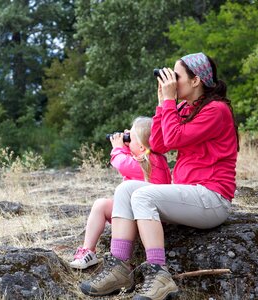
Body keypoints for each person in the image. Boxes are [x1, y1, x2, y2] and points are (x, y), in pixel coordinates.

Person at [80, 52, 238, 299]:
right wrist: (162, 103)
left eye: (177, 76)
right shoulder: (186, 108)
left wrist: (168, 101)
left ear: (196, 80)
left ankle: (159, 274)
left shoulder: (216, 110)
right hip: (191, 195)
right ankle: (120, 266)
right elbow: (159, 144)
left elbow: (173, 138)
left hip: (211, 198)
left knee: (143, 196)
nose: (171, 81)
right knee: (126, 189)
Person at [70, 117, 171, 269]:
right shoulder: (156, 159)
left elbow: (121, 162)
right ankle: (88, 252)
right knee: (103, 204)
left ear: (142, 147)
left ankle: (89, 251)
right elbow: (131, 159)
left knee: (100, 205)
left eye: (131, 137)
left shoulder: (149, 162)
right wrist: (130, 143)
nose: (127, 138)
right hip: (145, 214)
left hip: (143, 217)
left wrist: (118, 147)